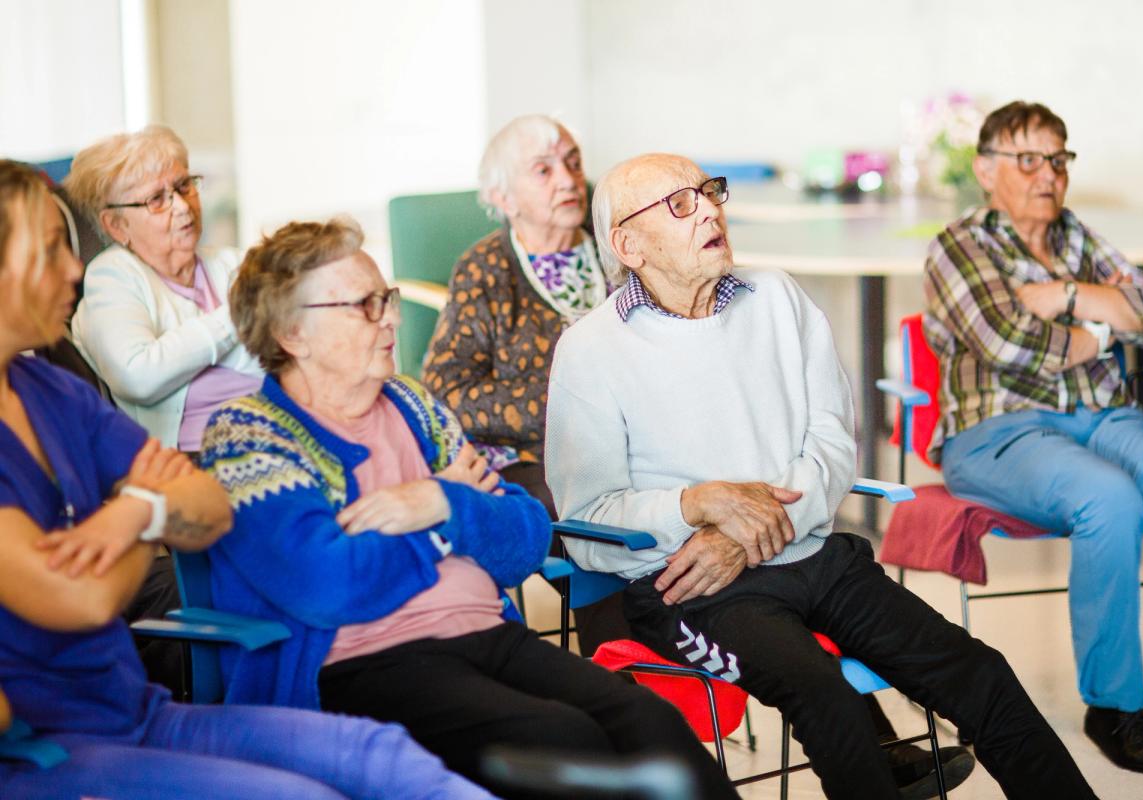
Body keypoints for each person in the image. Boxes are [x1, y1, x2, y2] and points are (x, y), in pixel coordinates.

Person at [545, 152, 1099, 800]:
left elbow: (834, 447)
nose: (710, 210)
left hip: (817, 557)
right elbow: (588, 526)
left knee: (979, 672)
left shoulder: (778, 297)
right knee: (827, 699)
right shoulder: (591, 350)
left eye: (708, 193)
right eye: (679, 204)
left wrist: (748, 533)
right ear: (628, 244)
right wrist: (695, 504)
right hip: (692, 590)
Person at [0, 160, 492, 800]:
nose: (73, 269)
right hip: (41, 754)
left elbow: (208, 507)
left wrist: (136, 513)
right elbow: (83, 598)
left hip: (138, 714)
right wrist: (153, 516)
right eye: (47, 251)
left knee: (378, 751)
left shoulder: (53, 389)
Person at [200, 217, 739, 800]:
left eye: (387, 298)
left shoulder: (411, 404)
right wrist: (443, 526)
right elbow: (325, 583)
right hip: (364, 664)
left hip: (489, 637)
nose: (391, 318)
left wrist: (437, 501)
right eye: (364, 305)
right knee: (562, 739)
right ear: (291, 334)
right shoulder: (249, 435)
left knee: (650, 721)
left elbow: (525, 537)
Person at [924, 100, 1143, 775]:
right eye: (1028, 159)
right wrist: (1108, 320)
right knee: (1109, 498)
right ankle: (1114, 707)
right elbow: (1008, 341)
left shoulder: (1077, 237)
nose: (1047, 174)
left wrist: (1069, 298)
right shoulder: (960, 245)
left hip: (1105, 413)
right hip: (999, 431)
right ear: (987, 170)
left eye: (1058, 158)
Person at [423, 114, 605, 514]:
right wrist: (565, 406)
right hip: (532, 456)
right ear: (504, 199)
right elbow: (445, 392)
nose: (567, 179)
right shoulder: (485, 269)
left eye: (573, 162)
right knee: (583, 500)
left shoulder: (614, 243)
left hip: (630, 439)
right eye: (543, 170)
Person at [64, 124, 263, 453]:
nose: (183, 207)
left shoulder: (231, 264)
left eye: (184, 186)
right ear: (117, 225)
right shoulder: (112, 277)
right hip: (198, 456)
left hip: (278, 431)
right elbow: (138, 375)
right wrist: (239, 316)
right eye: (157, 199)